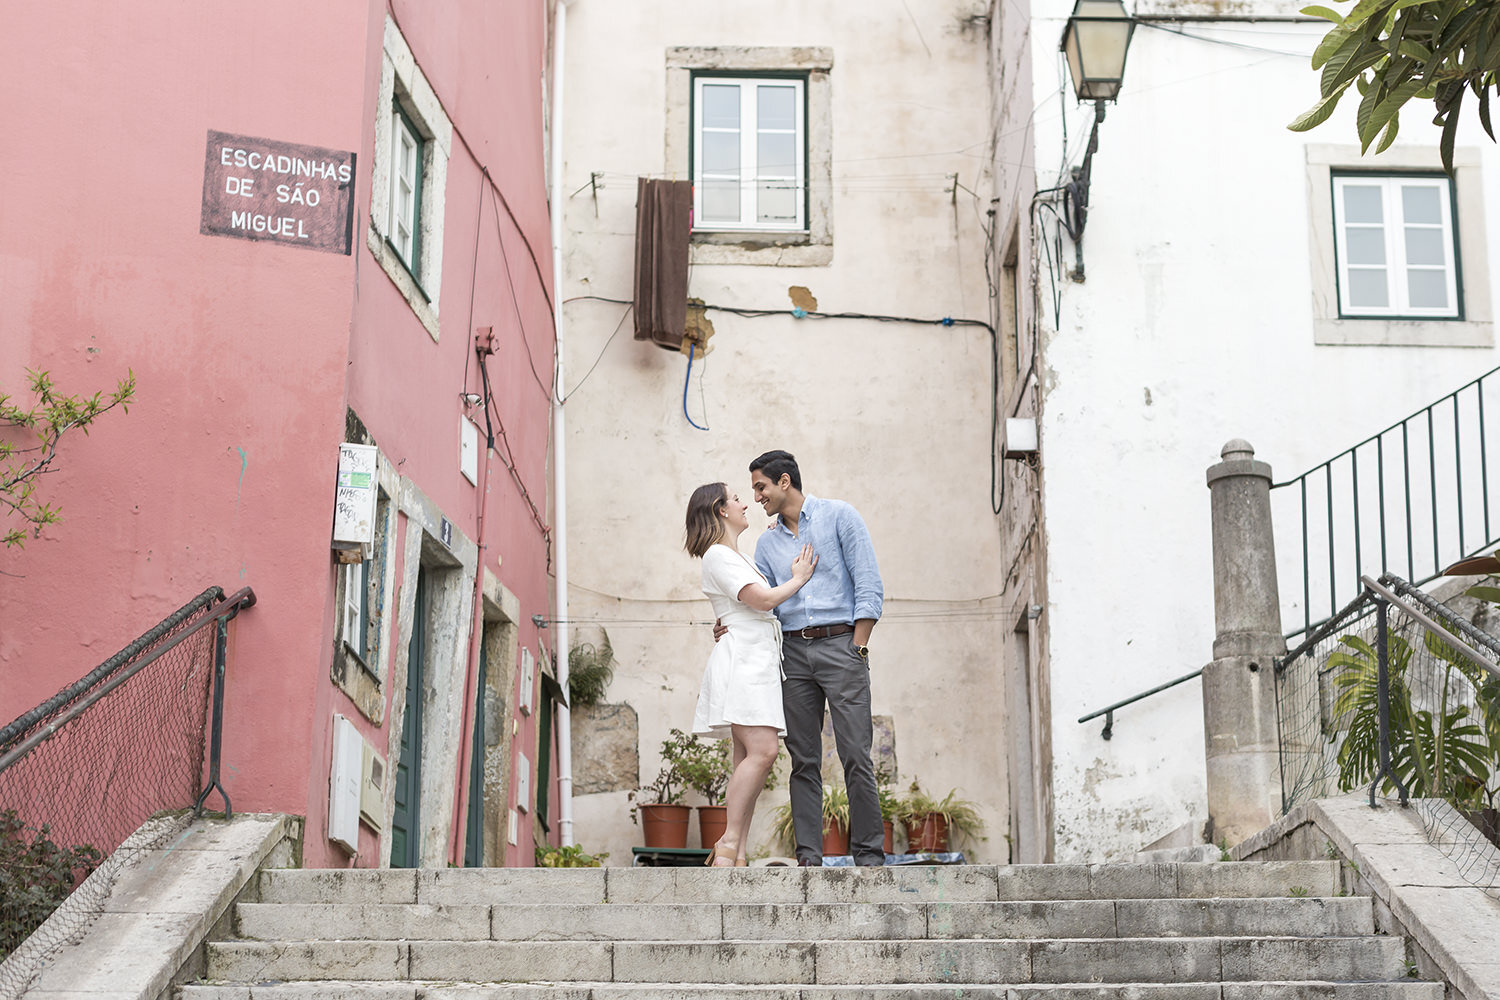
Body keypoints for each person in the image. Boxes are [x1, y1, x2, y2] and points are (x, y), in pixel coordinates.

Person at [749, 449, 886, 867]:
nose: (757, 497)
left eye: (761, 487)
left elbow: (868, 582)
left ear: (785, 481)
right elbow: (762, 601)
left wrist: (858, 646)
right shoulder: (767, 544)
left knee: (855, 755)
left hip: (841, 645)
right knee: (802, 760)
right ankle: (809, 860)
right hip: (792, 653)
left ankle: (868, 857)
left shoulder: (839, 516)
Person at [685, 481, 818, 867]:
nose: (746, 503)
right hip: (745, 662)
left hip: (754, 658)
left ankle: (737, 851)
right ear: (720, 510)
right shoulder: (718, 556)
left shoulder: (735, 557)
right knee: (764, 751)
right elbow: (759, 600)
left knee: (748, 757)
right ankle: (727, 843)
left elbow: (738, 604)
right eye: (737, 498)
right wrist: (799, 577)